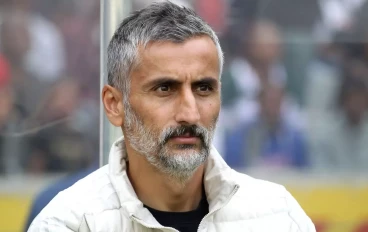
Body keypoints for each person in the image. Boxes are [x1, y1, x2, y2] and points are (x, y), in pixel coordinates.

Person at [28, 2, 315, 231]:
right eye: (165, 89)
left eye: (204, 88)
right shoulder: (69, 224)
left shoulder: (279, 218)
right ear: (114, 105)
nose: (190, 113)